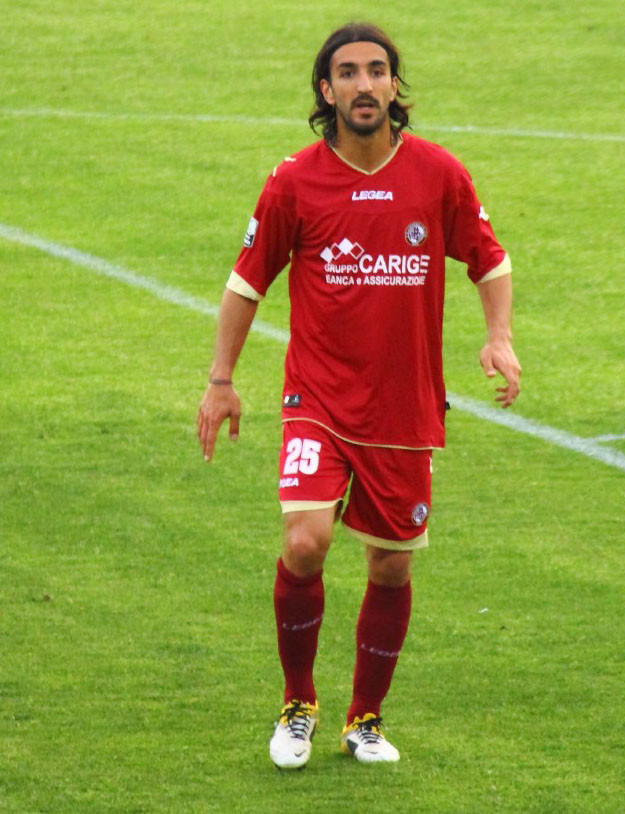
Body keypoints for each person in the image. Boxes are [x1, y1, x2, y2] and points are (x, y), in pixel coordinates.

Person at [197, 21, 521, 769]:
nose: (364, 84)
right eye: (348, 73)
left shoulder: (437, 174)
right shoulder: (295, 181)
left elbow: (489, 260)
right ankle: (298, 704)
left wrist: (499, 335)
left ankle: (364, 718)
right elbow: (246, 284)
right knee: (305, 541)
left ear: (394, 85)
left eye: (377, 70)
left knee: (390, 566)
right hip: (317, 399)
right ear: (327, 90)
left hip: (405, 409)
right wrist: (221, 380)